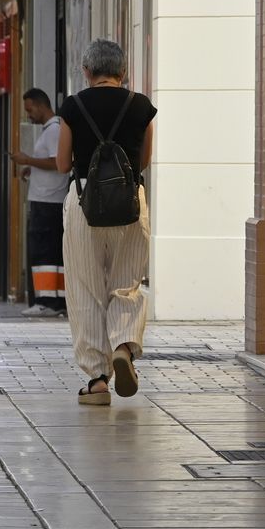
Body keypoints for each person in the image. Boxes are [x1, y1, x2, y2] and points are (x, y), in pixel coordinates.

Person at [55, 39, 157, 406]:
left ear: (87, 71)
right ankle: (124, 348)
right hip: (130, 204)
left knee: (85, 288)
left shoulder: (73, 106)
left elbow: (62, 163)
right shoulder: (141, 106)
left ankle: (97, 379)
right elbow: (143, 161)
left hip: (83, 204)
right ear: (123, 71)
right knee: (126, 282)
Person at [13, 88, 68, 317]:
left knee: (44, 250)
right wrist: (32, 167)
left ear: (40, 105)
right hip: (47, 198)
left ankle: (46, 300)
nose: (28, 115)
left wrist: (28, 159)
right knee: (51, 250)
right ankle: (56, 300)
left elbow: (58, 162)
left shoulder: (54, 130)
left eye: (29, 109)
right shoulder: (52, 130)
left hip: (47, 200)